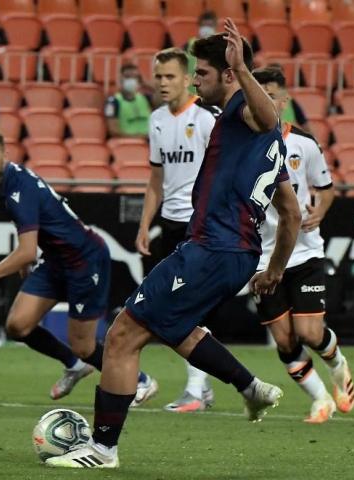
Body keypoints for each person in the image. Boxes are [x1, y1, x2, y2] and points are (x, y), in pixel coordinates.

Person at [45, 20, 302, 469]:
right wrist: (274, 269)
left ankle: (103, 450)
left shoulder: (246, 107)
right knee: (172, 325)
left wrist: (243, 71)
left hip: (212, 249)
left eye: (202, 72)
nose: (195, 79)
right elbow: (292, 214)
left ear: (228, 74)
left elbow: (266, 116)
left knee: (123, 334)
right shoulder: (260, 141)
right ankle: (249, 387)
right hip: (232, 256)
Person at [0, 129, 157, 404]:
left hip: (84, 260)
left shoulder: (16, 185)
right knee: (18, 326)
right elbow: (30, 239)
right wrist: (27, 258)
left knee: (84, 345)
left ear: (5, 154)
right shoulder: (2, 183)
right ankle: (74, 365)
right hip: (55, 260)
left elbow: (26, 251)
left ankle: (142, 381)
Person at [251, 66, 353, 423]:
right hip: (261, 257)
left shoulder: (304, 143)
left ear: (283, 100)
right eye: (257, 94)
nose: (265, 101)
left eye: (271, 95)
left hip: (304, 249)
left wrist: (319, 213)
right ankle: (320, 399)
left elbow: (325, 190)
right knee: (284, 340)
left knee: (309, 332)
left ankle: (338, 365)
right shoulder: (242, 145)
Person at [134, 47, 220, 413]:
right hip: (169, 225)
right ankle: (203, 385)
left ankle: (196, 390)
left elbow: (221, 173)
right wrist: (144, 224)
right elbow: (156, 179)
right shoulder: (156, 119)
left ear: (187, 79)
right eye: (158, 77)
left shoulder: (206, 119)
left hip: (199, 224)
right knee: (169, 306)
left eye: (170, 76)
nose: (163, 83)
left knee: (186, 304)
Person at [104, 64, 151, 139]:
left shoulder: (145, 98)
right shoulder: (113, 102)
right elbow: (113, 131)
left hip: (149, 142)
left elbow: (162, 93)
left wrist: (145, 83)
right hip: (127, 143)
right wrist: (139, 138)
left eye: (135, 77)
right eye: (127, 77)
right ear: (120, 79)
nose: (131, 80)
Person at [184, 11, 218, 93]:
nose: (207, 28)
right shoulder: (189, 44)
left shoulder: (220, 45)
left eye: (210, 26)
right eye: (204, 25)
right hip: (192, 91)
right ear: (199, 26)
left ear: (215, 26)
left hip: (213, 92)